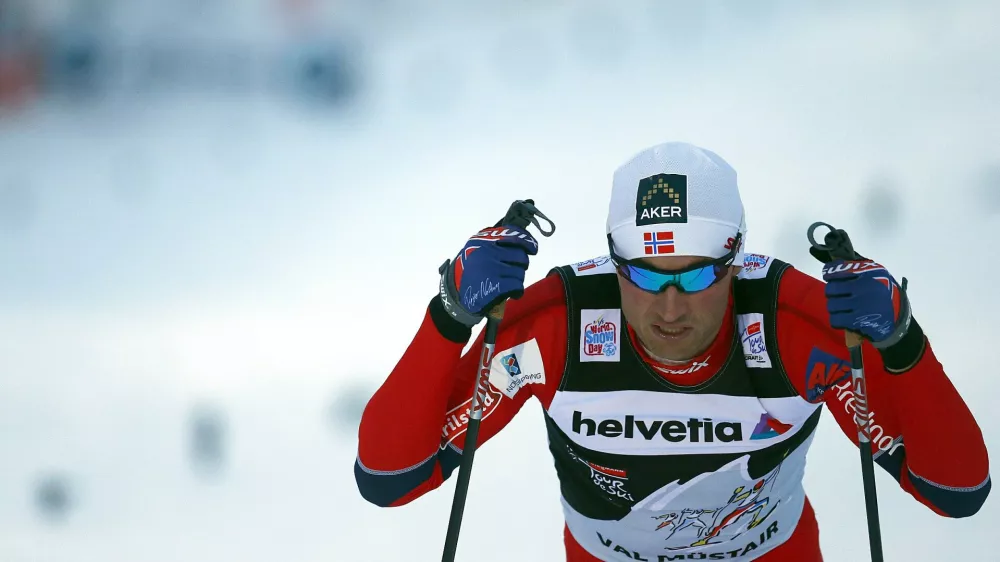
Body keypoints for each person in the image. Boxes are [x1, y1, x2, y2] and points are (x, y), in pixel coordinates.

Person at [354, 141, 991, 561]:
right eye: (644, 275)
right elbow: (390, 476)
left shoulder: (794, 330)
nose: (669, 307)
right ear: (614, 261)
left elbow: (956, 489)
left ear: (735, 261)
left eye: (696, 276)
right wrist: (449, 315)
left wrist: (903, 343)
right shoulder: (561, 327)